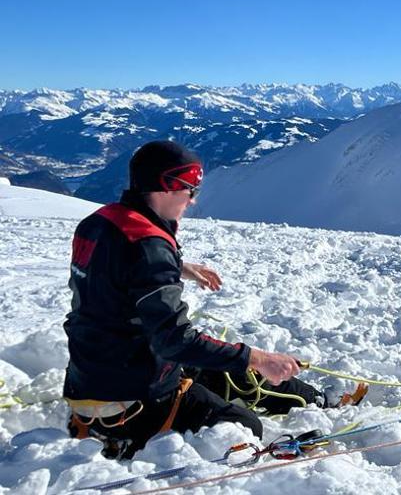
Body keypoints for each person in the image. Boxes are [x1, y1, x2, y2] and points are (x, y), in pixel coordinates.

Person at [63, 140, 366, 460]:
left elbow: (113, 273)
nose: (192, 200)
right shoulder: (149, 246)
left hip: (91, 377)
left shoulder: (101, 222)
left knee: (226, 367)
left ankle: (316, 401)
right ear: (165, 187)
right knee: (244, 424)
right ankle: (134, 443)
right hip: (134, 399)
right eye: (189, 189)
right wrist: (259, 358)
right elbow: (175, 341)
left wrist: (178, 268)